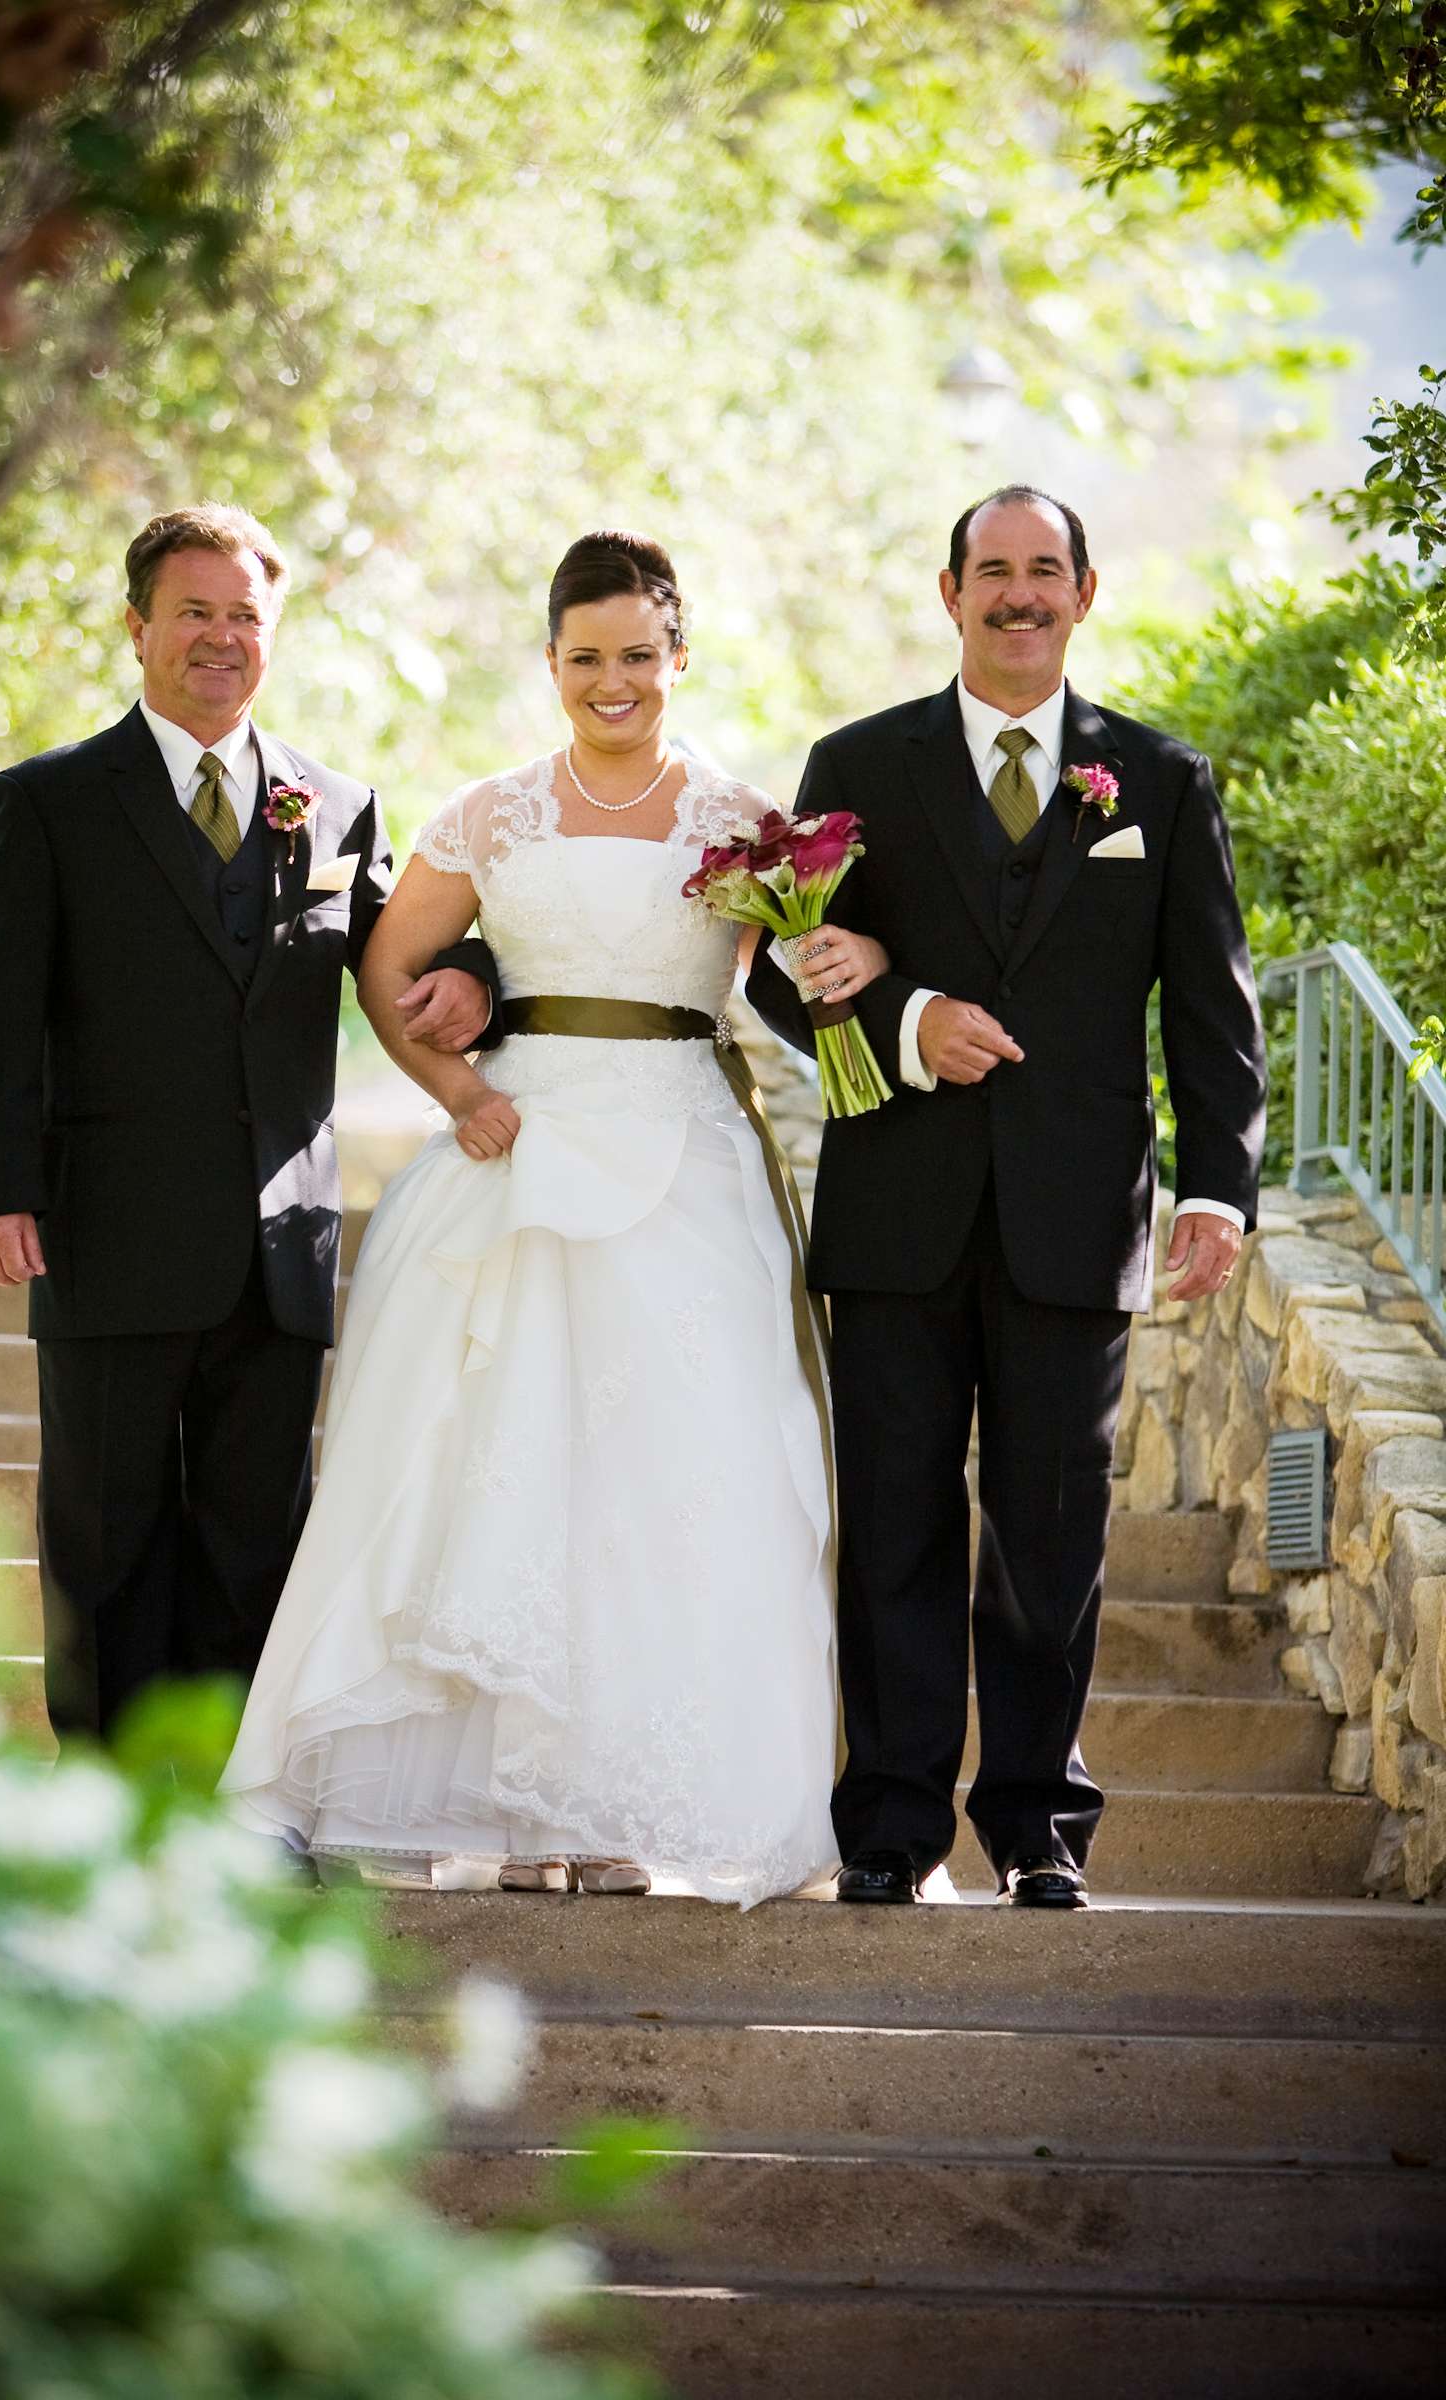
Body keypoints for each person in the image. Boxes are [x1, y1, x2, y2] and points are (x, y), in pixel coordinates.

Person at [220, 530, 838, 1906]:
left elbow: (785, 983)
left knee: (664, 1480)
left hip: (684, 1155)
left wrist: (843, 972)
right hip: (522, 1149)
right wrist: (453, 1087)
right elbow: (386, 968)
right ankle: (508, 1804)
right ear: (550, 663)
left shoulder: (741, 822)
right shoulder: (493, 811)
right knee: (499, 1467)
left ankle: (612, 1805)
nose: (610, 682)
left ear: (681, 656)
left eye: (636, 655)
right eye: (583, 659)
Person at [746, 484, 1266, 1909]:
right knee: (897, 1522)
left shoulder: (1157, 782)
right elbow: (780, 972)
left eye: (1047, 571)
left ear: (1085, 595)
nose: (1019, 593)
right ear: (949, 591)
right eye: (995, 570)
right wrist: (909, 1023)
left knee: (1052, 1538)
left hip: (1077, 1215)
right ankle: (891, 1828)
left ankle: (1037, 1826)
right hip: (898, 1213)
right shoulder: (857, 762)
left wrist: (1221, 1188)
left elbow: (1211, 1011)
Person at [0, 504, 497, 1742]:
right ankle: (107, 1810)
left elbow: (405, 963)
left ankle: (240, 1809)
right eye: (194, 611)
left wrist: (476, 981)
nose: (221, 637)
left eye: (245, 615)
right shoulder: (48, 803)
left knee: (258, 1548)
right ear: (138, 628)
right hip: (104, 1237)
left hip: (278, 1251)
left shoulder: (336, 808)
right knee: (106, 1540)